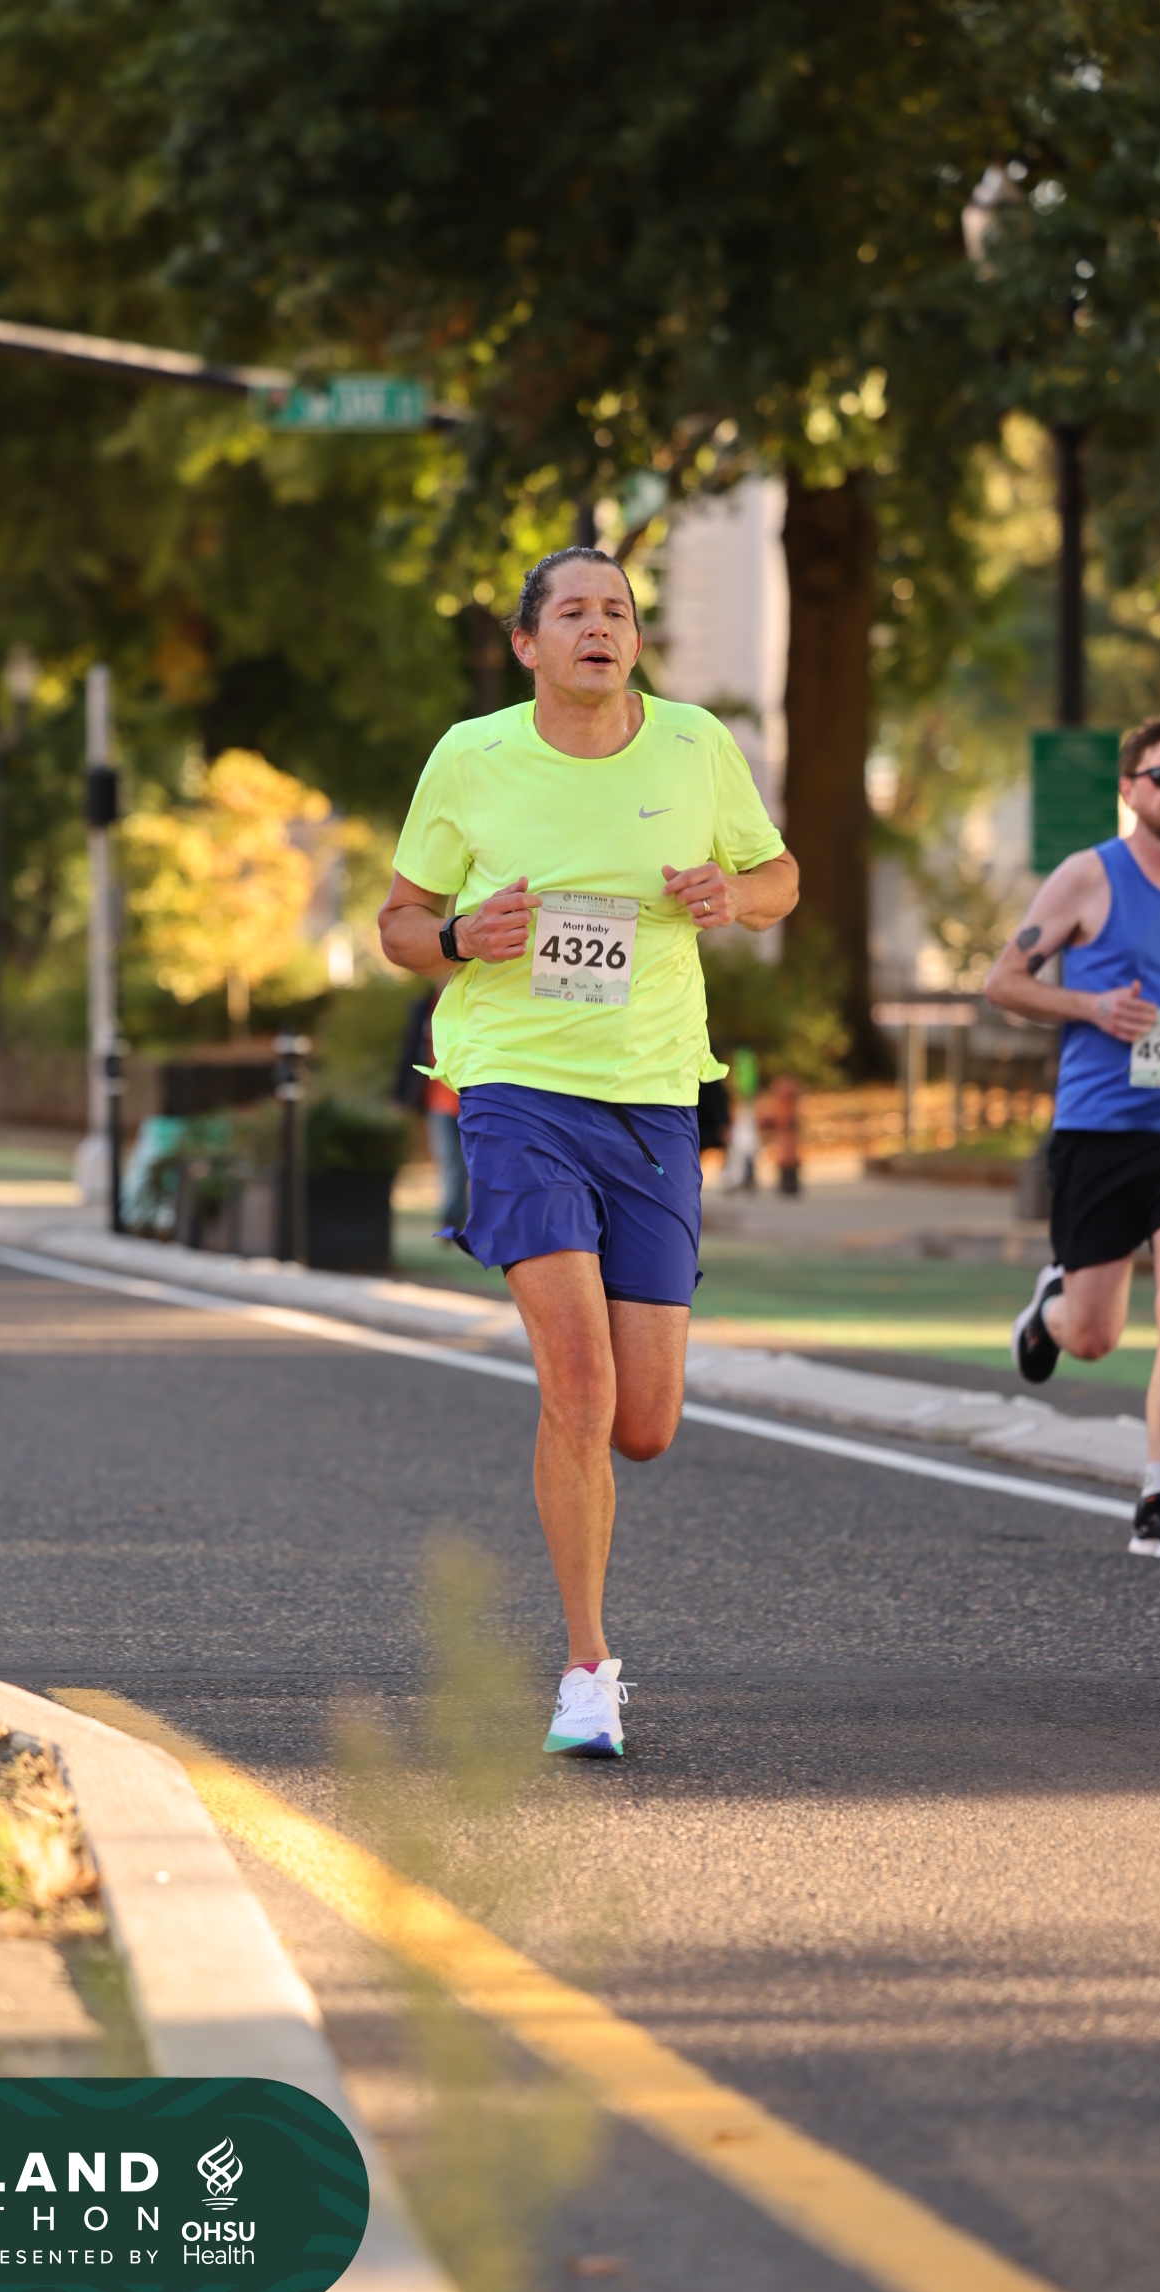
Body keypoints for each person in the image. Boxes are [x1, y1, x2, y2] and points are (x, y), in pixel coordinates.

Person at [378, 547, 799, 1754]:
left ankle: (586, 1584)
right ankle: (584, 1670)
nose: (598, 627)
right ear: (528, 644)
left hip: (654, 1100)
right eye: (572, 611)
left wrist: (734, 897)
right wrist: (460, 935)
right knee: (577, 1381)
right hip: (515, 1090)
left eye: (616, 610)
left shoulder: (693, 745)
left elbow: (778, 876)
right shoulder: (471, 755)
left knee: (643, 1422)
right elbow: (400, 922)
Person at [987, 716, 1160, 1556]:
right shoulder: (1089, 876)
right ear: (1131, 789)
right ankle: (1051, 1310)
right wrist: (1093, 1007)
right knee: (1095, 1337)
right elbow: (1004, 982)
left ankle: (1158, 1495)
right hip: (1101, 1130)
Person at [395, 984, 469, 1231]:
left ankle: (474, 1219)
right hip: (438, 1101)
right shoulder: (424, 1006)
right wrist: (400, 1094)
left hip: (472, 1098)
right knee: (449, 1160)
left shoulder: (474, 998)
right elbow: (410, 1051)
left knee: (476, 1164)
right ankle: (452, 1219)